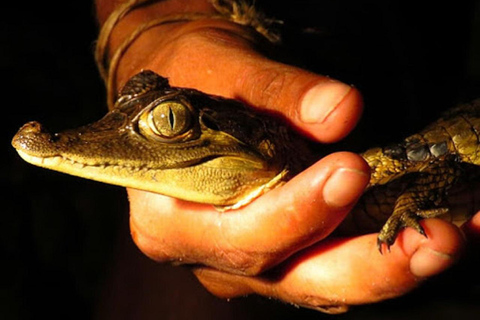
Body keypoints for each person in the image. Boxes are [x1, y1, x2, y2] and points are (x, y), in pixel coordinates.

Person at [95, 0, 480, 313]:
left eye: (169, 120)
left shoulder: (374, 174)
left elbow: (445, 162)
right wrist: (153, 32)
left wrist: (411, 202)